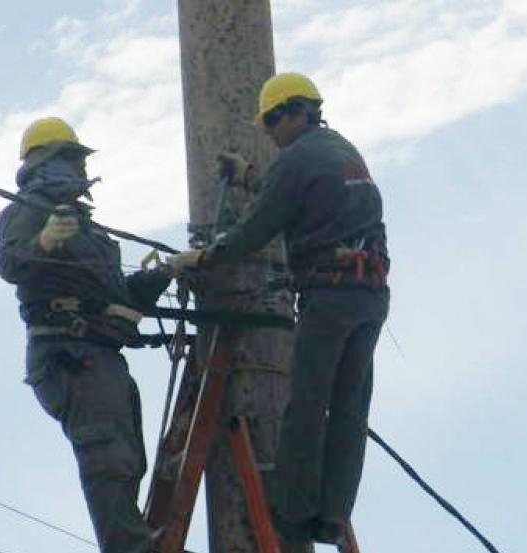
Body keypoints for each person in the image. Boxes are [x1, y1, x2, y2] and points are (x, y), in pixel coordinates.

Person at [166, 72, 390, 546]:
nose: (268, 131)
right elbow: (302, 197)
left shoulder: (295, 160)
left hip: (328, 299)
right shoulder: (342, 150)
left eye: (271, 120)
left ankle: (292, 512)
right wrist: (251, 177)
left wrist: (204, 257)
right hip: (370, 296)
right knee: (349, 410)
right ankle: (332, 516)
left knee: (306, 407)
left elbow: (256, 229)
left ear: (295, 112)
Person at [0, 117, 170, 553]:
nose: (77, 169)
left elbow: (116, 295)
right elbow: (11, 264)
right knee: (108, 457)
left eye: (78, 161)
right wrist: (45, 243)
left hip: (98, 353)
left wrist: (165, 274)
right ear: (43, 162)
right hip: (67, 353)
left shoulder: (89, 230)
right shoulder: (27, 211)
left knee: (128, 458)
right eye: (70, 159)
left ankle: (135, 540)